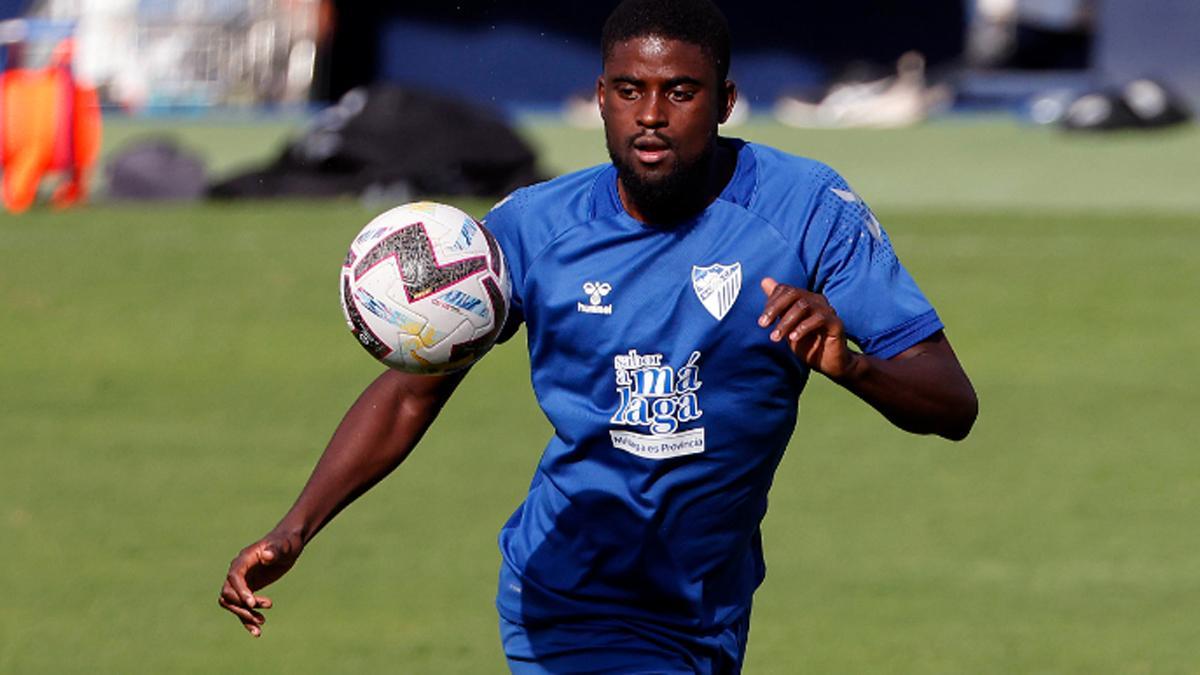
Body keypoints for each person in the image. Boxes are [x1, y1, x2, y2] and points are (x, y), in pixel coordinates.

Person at [218, 0, 978, 671]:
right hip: (572, 602)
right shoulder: (531, 229)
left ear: (725, 102)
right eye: (628, 91)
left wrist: (853, 364)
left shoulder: (807, 210)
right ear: (600, 98)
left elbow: (951, 403)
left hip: (709, 606)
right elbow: (412, 393)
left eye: (680, 92)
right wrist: (295, 527)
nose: (651, 113)